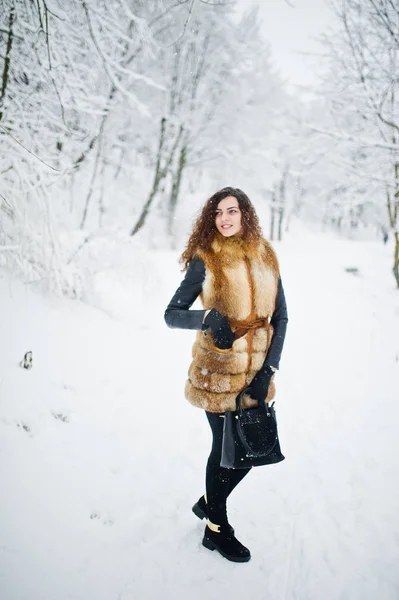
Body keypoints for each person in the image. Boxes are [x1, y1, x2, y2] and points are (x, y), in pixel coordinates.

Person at [164, 187, 288, 563]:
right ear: (211, 218)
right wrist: (206, 317)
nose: (225, 218)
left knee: (250, 451)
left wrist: (269, 369)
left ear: (245, 214)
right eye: (218, 213)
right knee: (224, 452)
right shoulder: (206, 259)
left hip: (255, 375)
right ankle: (217, 529)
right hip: (217, 373)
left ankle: (208, 502)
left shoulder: (266, 254)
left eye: (232, 211)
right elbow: (172, 313)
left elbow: (281, 316)